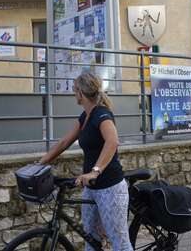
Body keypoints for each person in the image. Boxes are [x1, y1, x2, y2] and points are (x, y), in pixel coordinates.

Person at [39, 72, 133, 251]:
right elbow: (64, 142)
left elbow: (112, 141)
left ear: (81, 93)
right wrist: (39, 164)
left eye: (74, 90)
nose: (73, 94)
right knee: (91, 238)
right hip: (91, 188)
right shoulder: (85, 116)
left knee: (119, 242)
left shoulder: (102, 114)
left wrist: (95, 171)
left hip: (110, 187)